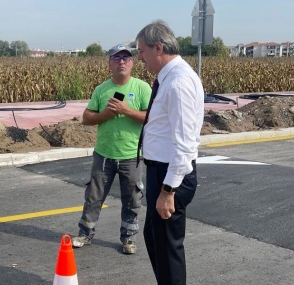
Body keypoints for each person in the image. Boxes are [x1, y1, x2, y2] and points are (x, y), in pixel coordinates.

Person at [136, 21, 204, 285]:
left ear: (158, 48)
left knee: (167, 249)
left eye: (142, 51)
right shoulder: (170, 78)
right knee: (156, 239)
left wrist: (167, 191)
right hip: (161, 172)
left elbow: (185, 144)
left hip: (169, 177)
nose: (139, 57)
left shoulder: (178, 83)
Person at [71, 44, 152, 254]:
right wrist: (104, 115)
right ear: (109, 63)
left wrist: (126, 110)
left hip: (131, 156)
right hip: (104, 154)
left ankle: (128, 239)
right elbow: (87, 118)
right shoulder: (102, 89)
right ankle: (85, 233)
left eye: (126, 58)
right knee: (93, 197)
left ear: (132, 63)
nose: (122, 62)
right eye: (117, 58)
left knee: (132, 199)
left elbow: (151, 118)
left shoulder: (142, 88)